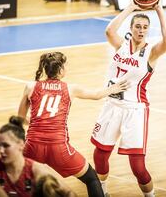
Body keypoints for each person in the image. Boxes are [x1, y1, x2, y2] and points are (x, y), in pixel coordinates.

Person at [90, 0, 166, 197]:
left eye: (145, 27)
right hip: (111, 105)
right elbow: (110, 31)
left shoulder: (151, 53)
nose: (141, 30)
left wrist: (159, 9)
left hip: (134, 110)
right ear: (132, 27)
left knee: (137, 166)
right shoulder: (121, 45)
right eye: (137, 26)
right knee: (100, 155)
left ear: (148, 30)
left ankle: (150, 196)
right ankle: (102, 193)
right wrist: (131, 7)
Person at [18, 51, 129, 197]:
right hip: (58, 147)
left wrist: (37, 124)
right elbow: (96, 95)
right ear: (61, 70)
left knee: (27, 184)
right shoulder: (70, 88)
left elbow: (19, 117)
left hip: (32, 146)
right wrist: (112, 89)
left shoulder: (30, 86)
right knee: (91, 179)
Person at [0, 116, 75, 197]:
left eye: (6, 146)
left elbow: (70, 193)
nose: (1, 150)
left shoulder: (37, 170)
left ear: (21, 144)